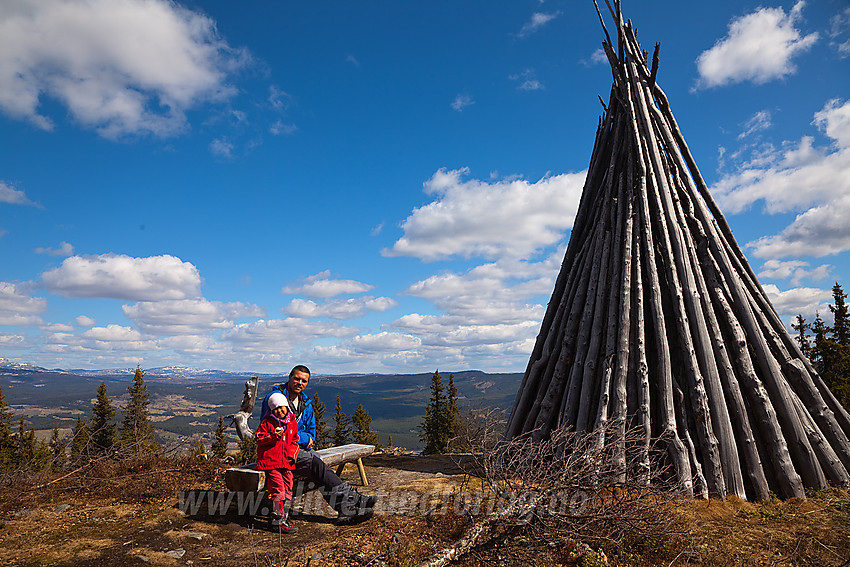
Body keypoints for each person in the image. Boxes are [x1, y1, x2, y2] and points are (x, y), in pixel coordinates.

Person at [260, 365, 377, 522]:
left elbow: (311, 434)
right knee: (316, 465)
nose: (299, 383)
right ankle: (350, 501)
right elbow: (270, 427)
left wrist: (301, 438)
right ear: (289, 377)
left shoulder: (306, 404)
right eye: (296, 378)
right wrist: (300, 438)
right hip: (279, 451)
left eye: (304, 381)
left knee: (317, 463)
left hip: (296, 449)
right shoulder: (275, 400)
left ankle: (348, 503)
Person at [255, 392, 300, 532]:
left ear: (287, 407)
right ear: (271, 410)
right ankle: (277, 519)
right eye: (276, 409)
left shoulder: (292, 423)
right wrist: (273, 436)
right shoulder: (267, 423)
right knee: (277, 489)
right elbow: (259, 439)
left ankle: (283, 515)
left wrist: (292, 455)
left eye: (282, 407)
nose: (279, 411)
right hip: (271, 462)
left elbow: (295, 441)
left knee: (287, 488)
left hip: (286, 462)